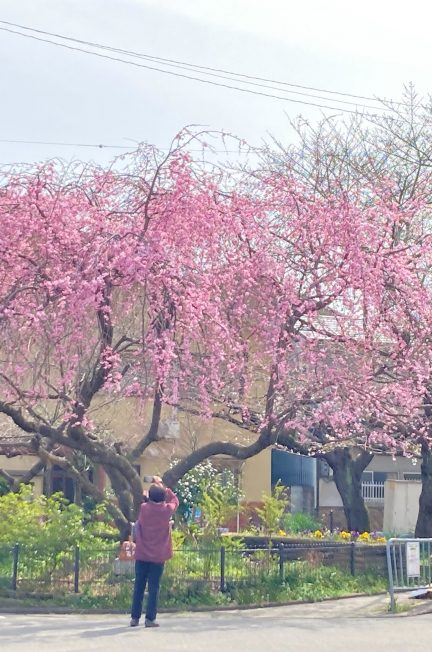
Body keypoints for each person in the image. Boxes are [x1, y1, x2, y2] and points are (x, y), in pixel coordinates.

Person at [130, 475, 179, 628]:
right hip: (158, 556)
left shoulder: (144, 509)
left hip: (142, 554)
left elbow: (146, 497)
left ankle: (134, 618)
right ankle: (150, 618)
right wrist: (163, 485)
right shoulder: (166, 511)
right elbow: (175, 501)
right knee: (153, 588)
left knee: (138, 586)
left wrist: (154, 485)